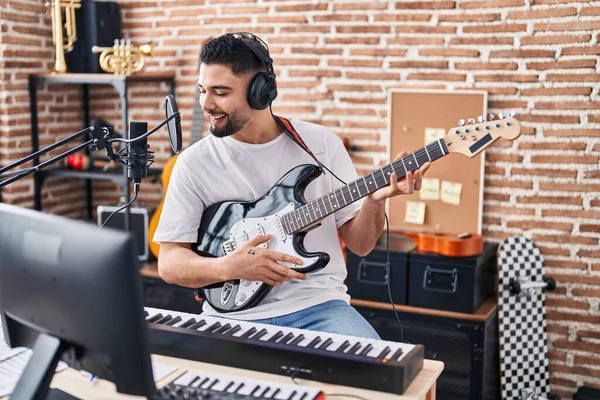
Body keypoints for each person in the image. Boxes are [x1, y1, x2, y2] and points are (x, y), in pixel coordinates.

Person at [153, 32, 430, 340]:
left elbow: (361, 244)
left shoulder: (321, 144)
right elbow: (169, 262)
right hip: (233, 318)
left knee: (379, 377)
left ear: (261, 90)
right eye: (202, 90)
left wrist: (376, 201)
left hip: (319, 306)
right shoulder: (193, 163)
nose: (206, 104)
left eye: (220, 92)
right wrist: (228, 268)